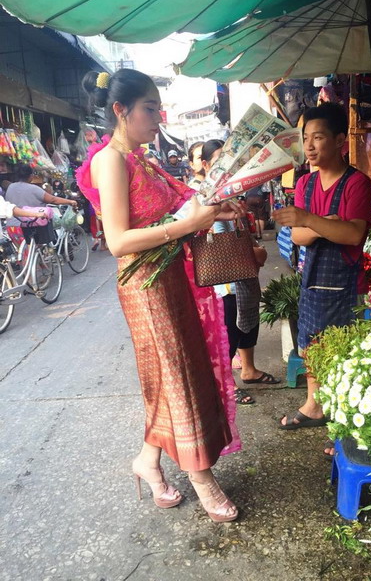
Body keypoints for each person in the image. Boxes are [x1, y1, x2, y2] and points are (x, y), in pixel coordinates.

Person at [77, 69, 245, 523]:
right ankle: (200, 474)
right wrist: (187, 225)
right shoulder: (110, 160)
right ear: (120, 110)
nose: (158, 116)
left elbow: (177, 209)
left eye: (158, 107)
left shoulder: (144, 159)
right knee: (178, 376)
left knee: (175, 373)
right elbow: (116, 241)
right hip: (144, 285)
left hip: (169, 277)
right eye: (149, 108)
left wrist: (210, 209)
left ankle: (148, 463)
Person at [273, 103, 371, 450]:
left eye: (318, 137)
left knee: (344, 354)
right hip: (313, 279)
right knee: (313, 347)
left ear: (341, 139)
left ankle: (346, 423)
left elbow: (352, 235)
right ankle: (315, 406)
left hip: (345, 284)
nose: (310, 146)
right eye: (306, 138)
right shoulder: (305, 183)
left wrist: (310, 220)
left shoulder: (357, 184)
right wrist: (324, 223)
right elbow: (298, 237)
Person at [202, 139, 279, 406]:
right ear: (205, 166)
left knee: (248, 323)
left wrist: (255, 248)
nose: (227, 168)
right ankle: (226, 383)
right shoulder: (205, 200)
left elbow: (242, 234)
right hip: (223, 281)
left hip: (244, 275)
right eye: (219, 161)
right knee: (229, 333)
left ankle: (249, 370)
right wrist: (251, 253)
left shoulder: (233, 196)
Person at [6, 164, 77, 245]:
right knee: (36, 250)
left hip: (11, 227)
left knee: (23, 253)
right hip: (29, 227)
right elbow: (53, 199)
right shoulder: (34, 189)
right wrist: (70, 202)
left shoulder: (10, 187)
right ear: (31, 176)